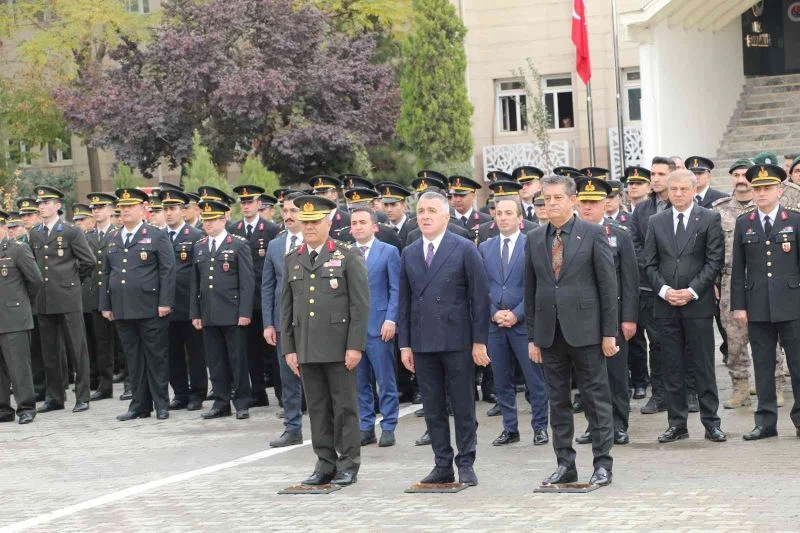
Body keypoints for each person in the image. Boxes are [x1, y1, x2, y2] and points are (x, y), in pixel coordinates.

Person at [524, 174, 618, 487]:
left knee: (595, 398)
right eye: (546, 198)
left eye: (556, 198)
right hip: (550, 333)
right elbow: (531, 289)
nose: (550, 204)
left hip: (587, 332)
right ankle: (565, 464)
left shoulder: (592, 234)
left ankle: (603, 464)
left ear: (572, 200)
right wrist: (533, 337)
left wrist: (609, 333)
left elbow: (607, 286)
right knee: (558, 401)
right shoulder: (535, 238)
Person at [398, 190, 490, 487]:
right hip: (423, 342)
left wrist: (479, 341)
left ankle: (466, 463)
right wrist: (405, 343)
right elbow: (405, 301)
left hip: (457, 340)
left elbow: (479, 298)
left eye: (431, 211)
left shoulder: (464, 248)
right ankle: (441, 463)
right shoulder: (410, 251)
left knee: (463, 405)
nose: (424, 216)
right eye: (421, 211)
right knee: (434, 407)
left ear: (446, 217)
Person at [281, 195, 369, 486]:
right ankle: (324, 463)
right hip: (306, 345)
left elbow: (359, 305)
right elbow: (287, 307)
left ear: (328, 223)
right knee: (317, 408)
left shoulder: (346, 255)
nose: (308, 227)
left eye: (315, 221)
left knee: (344, 407)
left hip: (338, 346)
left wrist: (355, 345)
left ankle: (348, 464)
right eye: (305, 222)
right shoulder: (293, 259)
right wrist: (289, 348)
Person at [643, 169, 726, 443]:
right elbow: (649, 263)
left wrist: (691, 291)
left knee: (703, 365)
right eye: (673, 189)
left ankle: (711, 422)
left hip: (697, 304)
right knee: (672, 366)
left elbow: (714, 260)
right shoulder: (656, 221)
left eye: (683, 189)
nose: (677, 194)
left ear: (693, 190)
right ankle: (677, 423)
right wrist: (665, 291)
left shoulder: (710, 218)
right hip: (665, 305)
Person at [731, 164, 800, 440]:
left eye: (766, 188)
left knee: (797, 364)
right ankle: (766, 422)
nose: (760, 193)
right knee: (762, 365)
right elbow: (738, 268)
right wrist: (739, 305)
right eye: (757, 188)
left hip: (792, 303)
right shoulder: (743, 223)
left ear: (779, 190)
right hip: (757, 303)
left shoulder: (795, 220)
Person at [100, 188, 176, 421]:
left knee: (156, 357)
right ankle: (139, 405)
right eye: (122, 208)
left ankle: (161, 403)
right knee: (133, 359)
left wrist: (165, 302)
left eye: (130, 207)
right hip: (122, 308)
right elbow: (105, 274)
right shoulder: (112, 237)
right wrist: (106, 304)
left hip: (150, 307)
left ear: (143, 209)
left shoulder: (155, 235)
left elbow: (167, 270)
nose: (125, 211)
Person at [479, 195, 548, 447]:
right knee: (501, 379)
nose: (503, 218)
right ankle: (510, 428)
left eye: (509, 213)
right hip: (495, 324)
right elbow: (480, 287)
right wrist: (493, 312)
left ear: (520, 219)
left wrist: (517, 313)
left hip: (524, 324)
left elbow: (538, 285)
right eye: (499, 213)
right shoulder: (484, 248)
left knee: (534, 379)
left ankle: (540, 427)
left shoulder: (533, 244)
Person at [574, 177, 639, 446]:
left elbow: (630, 280)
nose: (588, 208)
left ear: (605, 204)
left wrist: (629, 318)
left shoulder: (618, 234)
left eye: (594, 203)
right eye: (584, 202)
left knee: (615, 374)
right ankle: (595, 424)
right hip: (582, 318)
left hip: (613, 316)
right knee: (588, 376)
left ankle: (619, 424)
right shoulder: (570, 235)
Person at [29, 186, 95, 414]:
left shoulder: (70, 231)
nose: (42, 206)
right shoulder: (35, 232)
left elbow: (88, 261)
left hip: (67, 296)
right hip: (45, 299)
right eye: (40, 203)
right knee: (50, 352)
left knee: (77, 348)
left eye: (47, 202)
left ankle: (83, 396)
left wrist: (72, 281)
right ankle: (55, 396)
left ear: (57, 206)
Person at [190, 200, 254, 420]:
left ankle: (242, 402)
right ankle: (221, 402)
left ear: (223, 219)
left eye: (212, 220)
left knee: (237, 360)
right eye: (205, 220)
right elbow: (195, 283)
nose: (207, 224)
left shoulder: (237, 244)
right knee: (215, 361)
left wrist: (245, 312)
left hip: (233, 312)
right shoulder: (199, 246)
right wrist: (195, 313)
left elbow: (247, 281)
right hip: (208, 312)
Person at [350, 207, 401, 448]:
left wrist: (391, 319)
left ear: (374, 226)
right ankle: (366, 426)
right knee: (359, 382)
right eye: (354, 223)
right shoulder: (345, 253)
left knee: (385, 379)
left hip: (380, 326)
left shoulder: (388, 252)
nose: (358, 227)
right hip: (353, 329)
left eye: (363, 222)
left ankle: (389, 425)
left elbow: (395, 289)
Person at [629, 158, 674, 412]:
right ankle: (659, 394)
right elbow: (635, 243)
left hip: (677, 284)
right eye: (653, 174)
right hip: (648, 285)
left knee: (681, 341)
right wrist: (652, 268)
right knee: (655, 342)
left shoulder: (681, 204)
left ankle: (688, 392)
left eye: (660, 174)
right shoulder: (643, 209)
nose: (655, 179)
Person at [230, 184, 281, 408]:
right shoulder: (234, 229)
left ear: (259, 204)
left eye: (250, 202)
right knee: (249, 349)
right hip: (244, 300)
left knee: (273, 349)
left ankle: (281, 394)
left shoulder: (270, 229)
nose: (246, 206)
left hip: (265, 297)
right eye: (243, 202)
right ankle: (257, 392)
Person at [263, 192, 306, 447]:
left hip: (314, 323)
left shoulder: (316, 242)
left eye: (293, 211)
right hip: (283, 323)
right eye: (285, 211)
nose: (288, 216)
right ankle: (292, 428)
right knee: (287, 378)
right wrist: (269, 323)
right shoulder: (275, 245)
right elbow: (268, 287)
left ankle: (331, 427)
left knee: (317, 377)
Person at [161, 189, 207, 411]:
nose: (168, 213)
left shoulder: (195, 235)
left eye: (173, 209)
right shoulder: (158, 235)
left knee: (195, 351)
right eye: (165, 209)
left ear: (182, 211)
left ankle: (197, 393)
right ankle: (179, 393)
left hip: (188, 303)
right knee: (172, 351)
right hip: (165, 304)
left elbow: (199, 272)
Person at [0, 211, 43, 424]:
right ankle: (3, 409)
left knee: (19, 366)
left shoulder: (17, 249)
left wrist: (22, 305)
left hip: (14, 318)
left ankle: (26, 407)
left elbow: (35, 281)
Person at [448, 175, 492, 242]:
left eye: (462, 195)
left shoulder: (486, 220)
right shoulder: (445, 219)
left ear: (473, 196)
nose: (458, 200)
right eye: (455, 195)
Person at [380, 183, 417, 251]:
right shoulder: (380, 230)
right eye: (386, 205)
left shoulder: (414, 228)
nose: (389, 210)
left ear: (403, 205)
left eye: (393, 205)